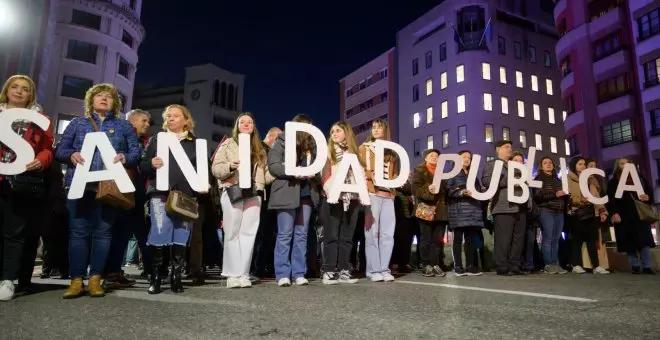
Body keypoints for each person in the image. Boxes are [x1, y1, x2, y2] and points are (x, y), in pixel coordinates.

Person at [55, 83, 141, 299]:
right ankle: (76, 280)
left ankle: (95, 278)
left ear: (115, 103)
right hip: (79, 184)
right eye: (99, 95)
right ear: (91, 100)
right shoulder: (77, 123)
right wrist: (71, 155)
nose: (104, 98)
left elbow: (136, 152)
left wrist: (125, 157)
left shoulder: (124, 126)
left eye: (109, 96)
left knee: (103, 233)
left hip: (109, 186)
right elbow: (61, 150)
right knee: (78, 233)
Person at [0, 75, 54, 301]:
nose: (19, 92)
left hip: (22, 182)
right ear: (6, 90)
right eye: (14, 87)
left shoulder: (39, 119)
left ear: (31, 94)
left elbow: (48, 149)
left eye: (25, 89)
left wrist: (41, 161)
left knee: (14, 232)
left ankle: (7, 280)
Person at [140, 104, 203, 294]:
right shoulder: (156, 140)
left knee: (181, 235)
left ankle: (176, 277)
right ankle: (156, 277)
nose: (171, 118)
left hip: (186, 197)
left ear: (186, 120)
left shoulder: (195, 143)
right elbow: (142, 165)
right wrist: (150, 163)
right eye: (168, 116)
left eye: (176, 115)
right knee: (160, 232)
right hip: (160, 194)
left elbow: (203, 171)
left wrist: (201, 187)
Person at [212, 112, 272, 288]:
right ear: (237, 126)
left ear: (254, 126)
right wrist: (230, 167)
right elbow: (216, 169)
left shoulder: (260, 149)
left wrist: (282, 171)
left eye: (250, 122)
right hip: (233, 191)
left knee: (249, 234)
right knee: (232, 233)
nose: (246, 124)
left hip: (254, 193)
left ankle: (244, 273)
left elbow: (267, 174)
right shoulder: (228, 145)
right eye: (242, 122)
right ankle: (232, 274)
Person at [268, 114, 319, 286]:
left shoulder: (313, 146)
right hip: (287, 191)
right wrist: (292, 171)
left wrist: (314, 174)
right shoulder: (282, 140)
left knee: (302, 234)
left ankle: (298, 272)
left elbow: (319, 168)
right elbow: (273, 165)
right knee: (285, 233)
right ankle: (282, 273)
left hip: (306, 193)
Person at [105, 109, 151, 289]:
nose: (147, 124)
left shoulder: (142, 142)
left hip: (136, 192)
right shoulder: (123, 138)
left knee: (131, 233)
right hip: (123, 190)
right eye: (144, 121)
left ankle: (116, 270)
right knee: (120, 233)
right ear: (131, 121)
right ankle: (111, 271)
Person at [320, 121, 365, 284]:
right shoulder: (328, 152)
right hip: (333, 197)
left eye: (338, 131)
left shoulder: (354, 153)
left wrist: (361, 193)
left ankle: (344, 269)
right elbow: (324, 175)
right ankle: (329, 270)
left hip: (351, 198)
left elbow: (360, 174)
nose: (334, 134)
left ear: (346, 132)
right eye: (332, 132)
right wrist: (331, 189)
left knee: (347, 236)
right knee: (331, 235)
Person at [359, 119, 399, 282]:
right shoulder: (364, 148)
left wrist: (398, 181)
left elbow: (394, 173)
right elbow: (359, 169)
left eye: (379, 127)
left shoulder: (392, 151)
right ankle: (373, 270)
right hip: (372, 193)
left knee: (387, 234)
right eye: (373, 127)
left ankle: (384, 268)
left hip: (388, 195)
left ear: (385, 130)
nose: (375, 130)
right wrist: (370, 175)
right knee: (371, 233)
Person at [481, 140, 527, 276]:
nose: (509, 150)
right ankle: (502, 266)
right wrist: (509, 181)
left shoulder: (517, 166)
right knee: (503, 239)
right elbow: (487, 181)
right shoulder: (492, 164)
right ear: (498, 149)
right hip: (503, 206)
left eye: (510, 147)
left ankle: (515, 265)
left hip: (521, 205)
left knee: (518, 239)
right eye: (506, 147)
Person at [607, 158, 656, 274]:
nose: (625, 165)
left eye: (627, 163)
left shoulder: (640, 178)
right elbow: (610, 200)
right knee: (629, 242)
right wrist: (614, 213)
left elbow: (649, 194)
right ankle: (635, 266)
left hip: (639, 214)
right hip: (623, 215)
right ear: (618, 166)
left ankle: (647, 266)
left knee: (644, 241)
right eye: (622, 163)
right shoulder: (613, 181)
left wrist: (648, 198)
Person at [566, 157, 609, 274]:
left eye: (584, 164)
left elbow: (596, 196)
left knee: (592, 240)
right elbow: (567, 197)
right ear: (574, 166)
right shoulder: (568, 179)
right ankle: (576, 265)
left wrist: (602, 211)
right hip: (577, 213)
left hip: (591, 213)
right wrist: (580, 200)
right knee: (577, 241)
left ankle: (596, 266)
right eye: (580, 164)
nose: (583, 166)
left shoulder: (590, 179)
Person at [446, 150, 484, 276]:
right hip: (458, 210)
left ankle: (470, 266)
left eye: (469, 157)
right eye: (464, 157)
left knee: (470, 240)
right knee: (457, 239)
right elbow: (447, 190)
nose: (467, 159)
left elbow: (479, 191)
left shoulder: (474, 176)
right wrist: (461, 192)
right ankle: (458, 266)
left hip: (473, 211)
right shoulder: (452, 174)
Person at [412, 149, 448, 277]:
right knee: (425, 238)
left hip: (440, 210)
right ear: (425, 158)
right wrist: (427, 188)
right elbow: (415, 189)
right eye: (431, 155)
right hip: (425, 208)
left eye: (437, 156)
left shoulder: (443, 173)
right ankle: (425, 264)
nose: (434, 157)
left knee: (437, 240)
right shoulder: (419, 171)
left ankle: (435, 264)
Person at [533, 156, 569, 275]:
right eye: (545, 163)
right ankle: (548, 264)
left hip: (559, 212)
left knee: (556, 239)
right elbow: (537, 197)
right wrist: (555, 195)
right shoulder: (539, 178)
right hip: (546, 211)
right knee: (547, 238)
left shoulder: (558, 180)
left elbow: (562, 195)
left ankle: (555, 263)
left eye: (550, 162)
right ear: (541, 166)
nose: (548, 164)